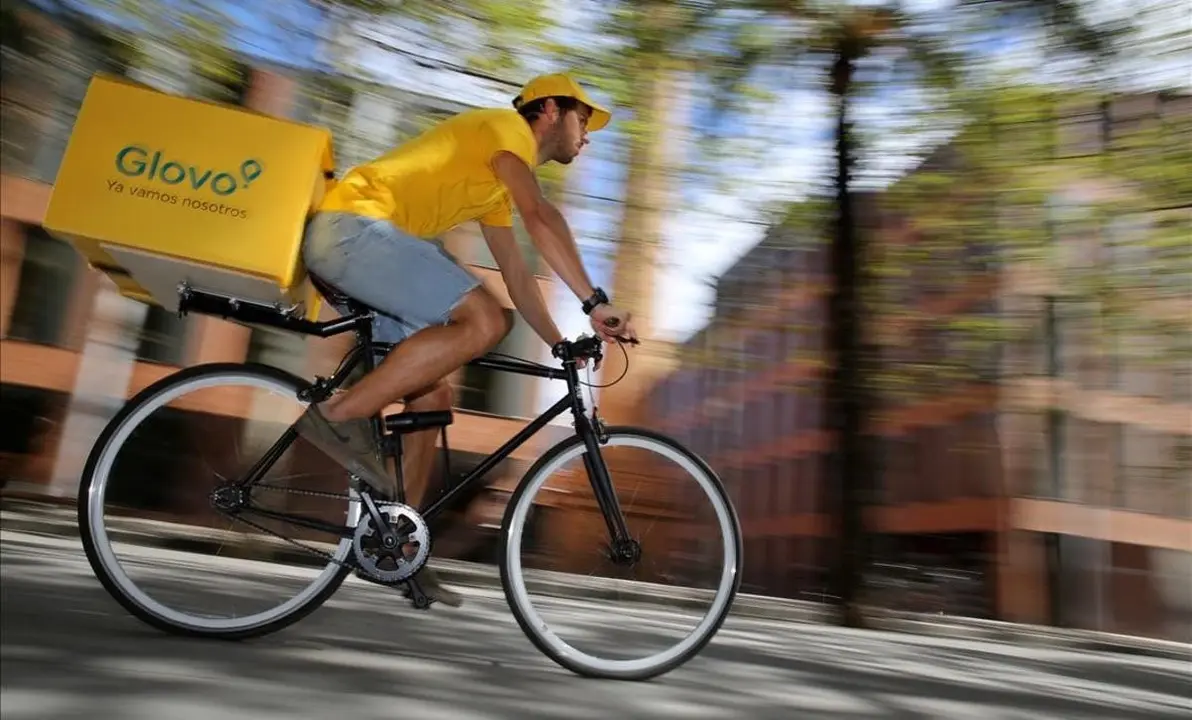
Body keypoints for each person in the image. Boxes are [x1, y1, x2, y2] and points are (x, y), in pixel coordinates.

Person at [294, 73, 639, 606]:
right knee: (485, 321)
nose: (587, 135)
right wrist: (595, 302)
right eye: (583, 118)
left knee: (432, 396)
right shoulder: (504, 129)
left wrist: (559, 342)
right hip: (351, 231)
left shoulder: (496, 185)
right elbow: (541, 216)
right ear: (550, 109)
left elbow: (519, 278)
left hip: (356, 250)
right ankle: (337, 417)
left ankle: (395, 547)